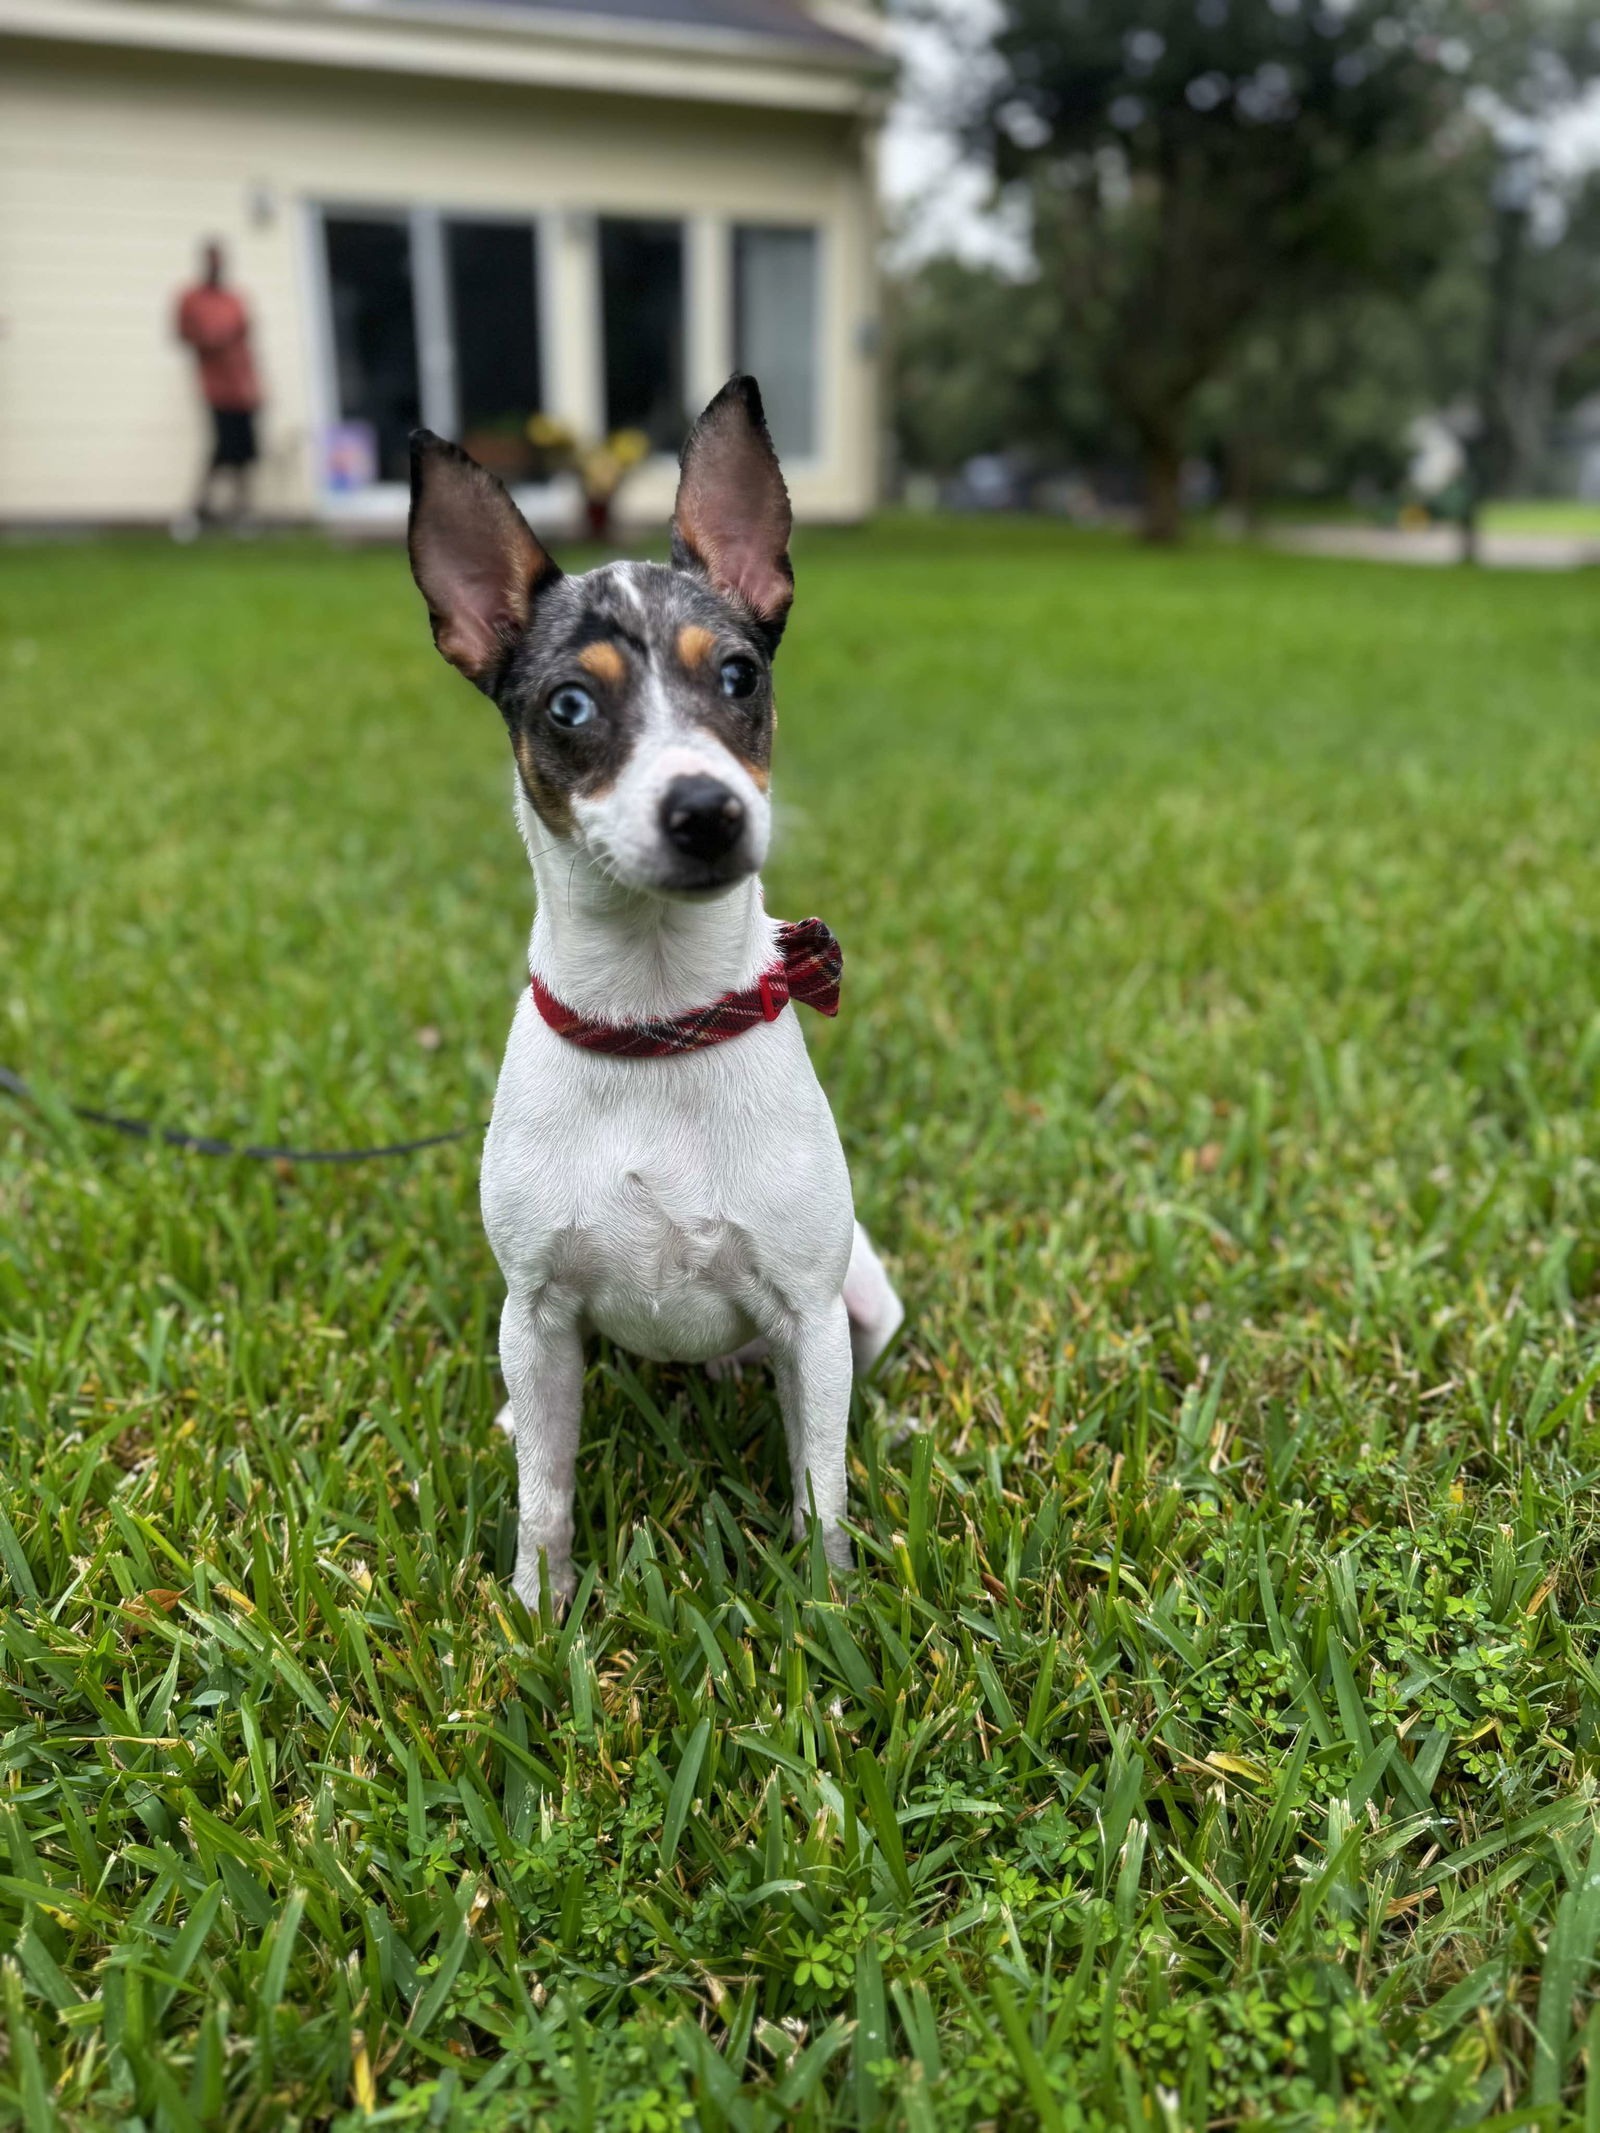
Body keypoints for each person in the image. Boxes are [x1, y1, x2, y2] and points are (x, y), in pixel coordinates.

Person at [173, 240, 261, 537]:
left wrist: (255, 386)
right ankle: (198, 511)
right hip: (216, 387)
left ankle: (243, 512)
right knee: (222, 448)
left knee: (244, 452)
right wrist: (211, 339)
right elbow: (184, 334)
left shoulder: (234, 299)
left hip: (243, 388)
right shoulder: (191, 298)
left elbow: (245, 338)